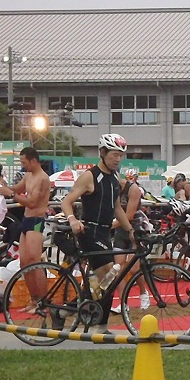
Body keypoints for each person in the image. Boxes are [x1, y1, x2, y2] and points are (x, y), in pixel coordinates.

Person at [61, 134, 135, 334]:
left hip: (104, 233)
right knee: (110, 276)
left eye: (121, 155)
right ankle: (99, 327)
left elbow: (117, 208)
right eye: (114, 155)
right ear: (102, 152)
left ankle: (68, 311)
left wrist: (130, 230)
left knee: (105, 281)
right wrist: (73, 220)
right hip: (88, 231)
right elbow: (66, 202)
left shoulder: (114, 178)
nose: (118, 159)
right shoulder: (90, 176)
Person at [0, 147, 51, 312]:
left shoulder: (43, 179)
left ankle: (44, 302)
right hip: (26, 220)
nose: (23, 165)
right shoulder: (28, 176)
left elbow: (32, 203)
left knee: (35, 261)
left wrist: (10, 194)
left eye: (24, 162)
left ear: (33, 161)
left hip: (36, 220)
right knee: (24, 263)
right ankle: (34, 300)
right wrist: (1, 186)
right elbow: (16, 189)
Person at [110, 169, 150, 314]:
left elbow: (129, 215)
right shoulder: (112, 190)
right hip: (120, 231)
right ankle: (123, 303)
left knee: (134, 269)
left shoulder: (133, 189)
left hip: (136, 229)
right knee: (118, 269)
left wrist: (109, 226)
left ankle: (143, 292)